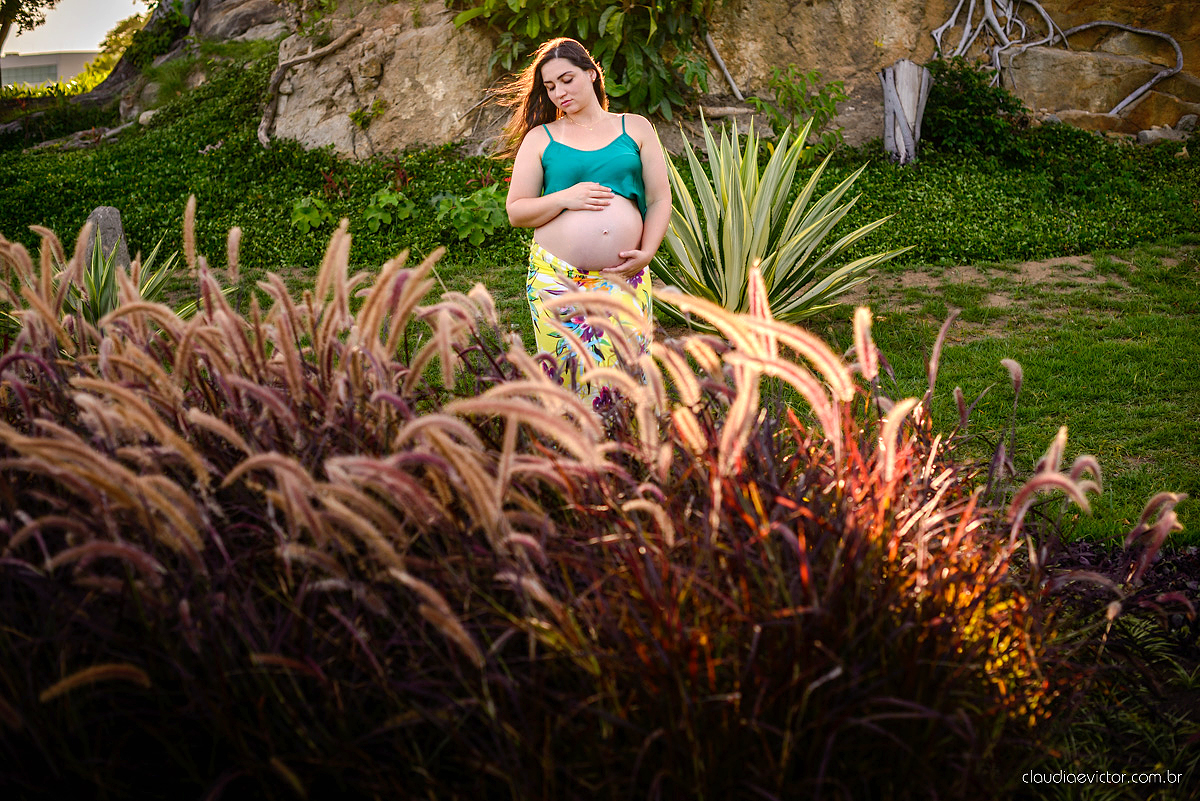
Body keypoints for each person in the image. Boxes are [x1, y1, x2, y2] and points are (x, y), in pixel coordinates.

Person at [498, 37, 670, 407]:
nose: (559, 92)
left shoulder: (635, 127)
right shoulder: (541, 138)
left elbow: (659, 199)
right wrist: (565, 198)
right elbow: (516, 211)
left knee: (627, 373)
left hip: (624, 274)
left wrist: (647, 253)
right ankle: (571, 458)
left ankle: (626, 457)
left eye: (566, 79)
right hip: (556, 276)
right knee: (567, 381)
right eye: (550, 87)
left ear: (591, 74)